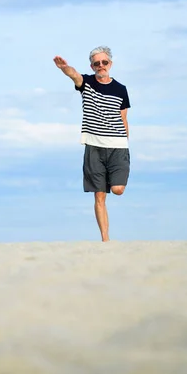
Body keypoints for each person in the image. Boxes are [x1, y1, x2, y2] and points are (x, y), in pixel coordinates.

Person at [53, 46, 130, 242]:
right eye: (97, 63)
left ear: (110, 64)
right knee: (99, 196)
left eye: (104, 62)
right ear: (92, 66)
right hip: (94, 146)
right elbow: (74, 75)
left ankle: (115, 181)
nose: (101, 66)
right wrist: (64, 68)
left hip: (118, 146)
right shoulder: (86, 83)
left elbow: (124, 118)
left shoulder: (121, 89)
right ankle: (105, 239)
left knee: (118, 189)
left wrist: (126, 142)